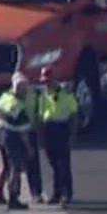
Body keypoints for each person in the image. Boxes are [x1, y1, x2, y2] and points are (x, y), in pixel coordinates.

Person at [0, 71, 42, 209]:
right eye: (24, 88)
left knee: (6, 167)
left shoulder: (4, 97)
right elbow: (23, 132)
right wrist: (29, 148)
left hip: (2, 134)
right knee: (15, 168)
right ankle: (14, 198)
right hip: (13, 138)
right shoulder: (18, 107)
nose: (26, 90)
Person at [35, 70, 81, 205]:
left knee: (63, 164)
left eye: (48, 81)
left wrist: (72, 134)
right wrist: (40, 135)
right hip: (49, 128)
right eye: (44, 82)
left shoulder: (66, 94)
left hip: (62, 128)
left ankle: (67, 194)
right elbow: (40, 115)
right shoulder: (43, 95)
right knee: (54, 164)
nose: (46, 84)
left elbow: (74, 115)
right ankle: (57, 193)